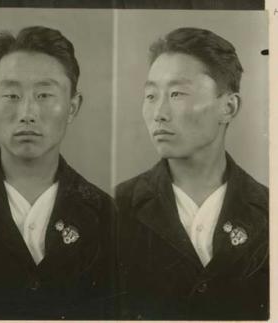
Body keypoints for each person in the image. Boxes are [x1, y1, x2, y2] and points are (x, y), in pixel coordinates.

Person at [0, 26, 118, 320]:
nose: (27, 112)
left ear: (73, 106)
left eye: (44, 95)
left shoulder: (106, 214)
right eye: (11, 95)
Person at [115, 27, 268, 320]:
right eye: (150, 95)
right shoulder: (116, 208)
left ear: (229, 107)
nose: (159, 112)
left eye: (177, 94)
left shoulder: (268, 210)